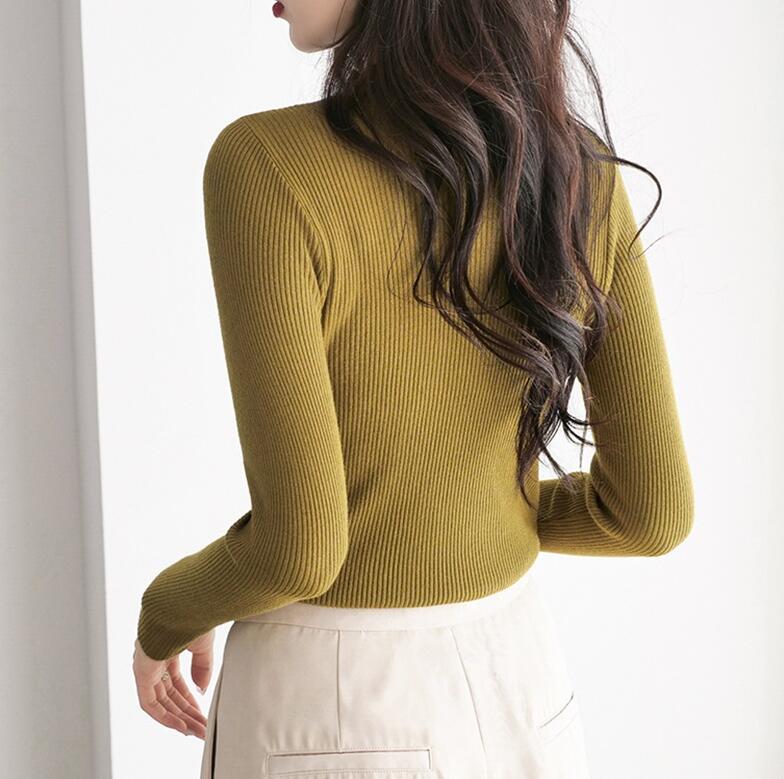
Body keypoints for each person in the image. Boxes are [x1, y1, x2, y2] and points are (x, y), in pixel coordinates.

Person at [131, 1, 695, 776]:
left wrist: (168, 610)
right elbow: (651, 513)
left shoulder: (266, 164)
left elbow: (298, 549)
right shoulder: (576, 169)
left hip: (336, 701)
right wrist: (474, 511)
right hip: (523, 682)